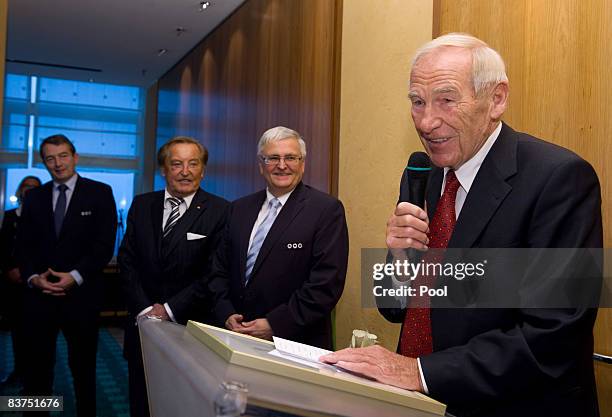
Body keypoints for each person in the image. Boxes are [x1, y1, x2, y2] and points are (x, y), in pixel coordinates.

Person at [321, 33, 602, 417]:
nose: (426, 121)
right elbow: (394, 305)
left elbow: (555, 334)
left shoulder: (559, 179)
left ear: (496, 99)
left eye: (446, 100)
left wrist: (418, 371)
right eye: (417, 102)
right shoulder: (424, 174)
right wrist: (400, 259)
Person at [208, 126, 348, 349]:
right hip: (235, 337)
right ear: (260, 164)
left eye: (290, 157)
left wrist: (275, 324)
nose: (282, 166)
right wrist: (226, 312)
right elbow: (218, 269)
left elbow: (325, 284)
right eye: (273, 158)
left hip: (294, 343)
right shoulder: (238, 209)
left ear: (302, 163)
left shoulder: (326, 210)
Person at [118, 136, 229, 417]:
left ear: (203, 170)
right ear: (163, 170)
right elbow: (127, 261)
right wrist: (146, 308)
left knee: (185, 405)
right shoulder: (142, 205)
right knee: (141, 401)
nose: (185, 171)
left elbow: (214, 272)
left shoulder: (222, 210)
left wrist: (168, 310)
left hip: (191, 327)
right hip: (141, 324)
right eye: (176, 164)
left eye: (194, 163)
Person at [16, 134, 117, 416]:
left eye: (63, 156)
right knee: (37, 371)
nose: (58, 164)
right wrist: (33, 277)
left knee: (83, 369)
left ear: (74, 157)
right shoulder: (34, 197)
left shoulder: (100, 193)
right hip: (39, 298)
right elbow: (22, 247)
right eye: (50, 158)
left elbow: (104, 246)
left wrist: (75, 276)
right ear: (44, 162)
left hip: (81, 298)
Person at [0, 175, 41, 388]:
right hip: (12, 284)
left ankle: (34, 375)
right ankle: (19, 369)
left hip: (35, 284)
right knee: (16, 331)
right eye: (26, 186)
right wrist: (9, 269)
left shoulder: (44, 217)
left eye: (35, 187)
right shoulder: (9, 216)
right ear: (20, 190)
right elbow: (3, 247)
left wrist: (27, 272)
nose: (30, 190)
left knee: (36, 333)